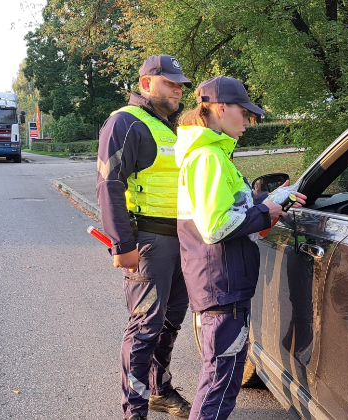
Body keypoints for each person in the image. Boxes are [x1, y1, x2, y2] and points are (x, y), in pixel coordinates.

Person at [174, 76, 306, 420]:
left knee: (222, 379)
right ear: (220, 109)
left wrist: (272, 198)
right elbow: (215, 226)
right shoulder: (209, 158)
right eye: (243, 113)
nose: (247, 122)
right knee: (219, 384)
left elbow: (230, 208)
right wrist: (266, 211)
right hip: (222, 286)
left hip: (220, 283)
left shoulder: (209, 154)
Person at [96, 54, 194, 420]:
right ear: (145, 84)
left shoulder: (170, 128)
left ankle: (159, 391)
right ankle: (134, 411)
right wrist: (122, 245)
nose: (177, 90)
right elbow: (109, 183)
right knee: (144, 328)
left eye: (180, 85)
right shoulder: (125, 122)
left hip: (184, 242)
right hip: (150, 243)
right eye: (169, 83)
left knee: (170, 323)